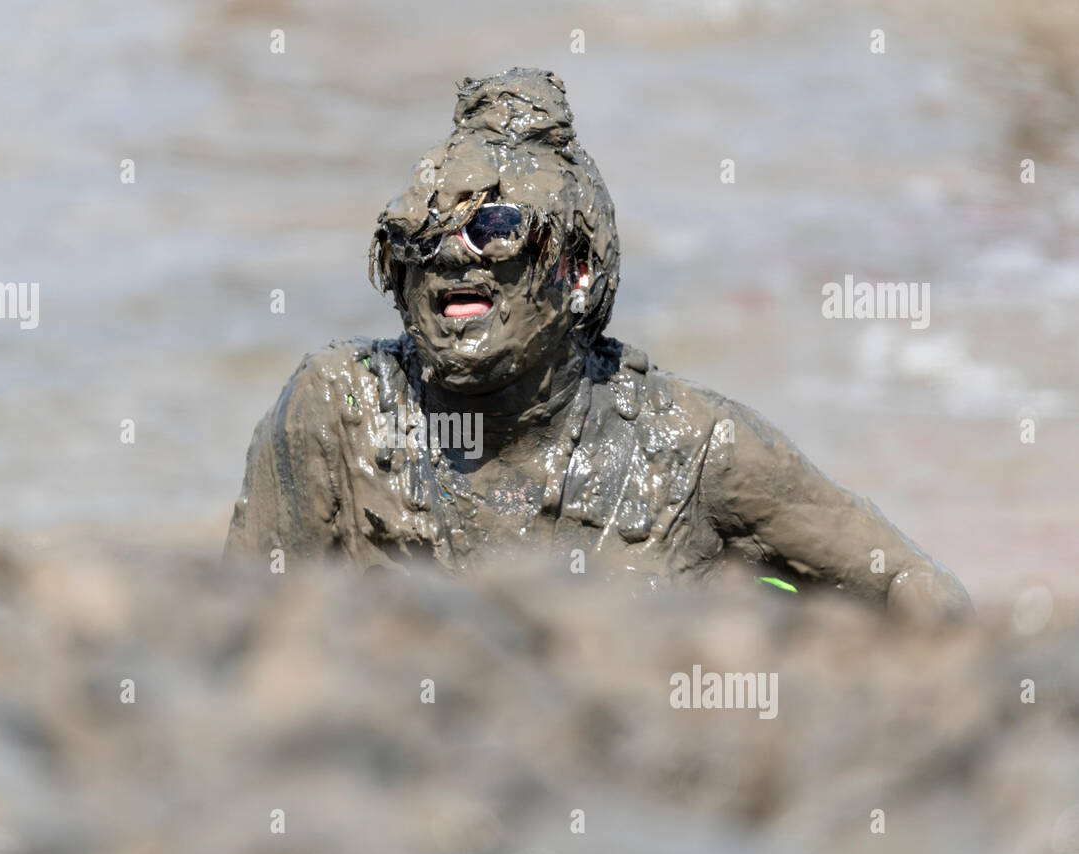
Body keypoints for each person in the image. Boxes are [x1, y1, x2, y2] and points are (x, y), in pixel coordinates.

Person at [225, 67, 971, 618]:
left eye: (493, 228)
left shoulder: (692, 450)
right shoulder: (339, 414)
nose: (450, 256)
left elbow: (916, 590)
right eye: (416, 230)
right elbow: (231, 640)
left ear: (579, 270)